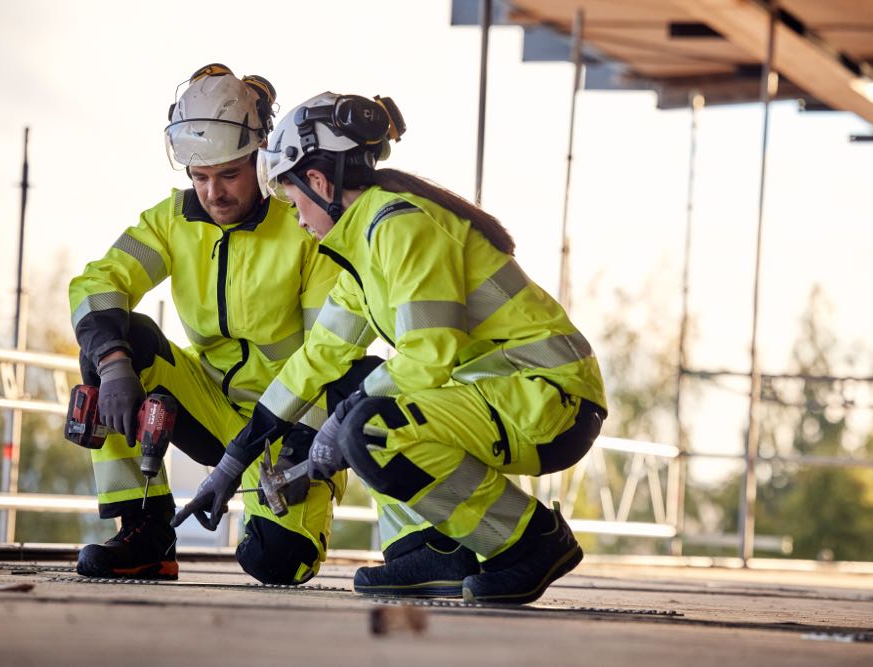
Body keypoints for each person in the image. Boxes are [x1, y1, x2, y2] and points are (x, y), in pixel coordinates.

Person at [173, 92, 607, 604]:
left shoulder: (403, 227)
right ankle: (434, 550)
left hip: (549, 399)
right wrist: (230, 465)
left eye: (292, 201)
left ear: (317, 182)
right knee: (354, 393)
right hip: (505, 395)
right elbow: (315, 362)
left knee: (370, 426)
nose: (295, 218)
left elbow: (430, 352)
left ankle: (530, 540)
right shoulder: (363, 247)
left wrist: (342, 424)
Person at [68, 65, 363, 585]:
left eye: (229, 174)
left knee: (275, 563)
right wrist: (112, 364)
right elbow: (97, 283)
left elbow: (330, 354)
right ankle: (145, 532)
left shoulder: (304, 227)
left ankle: (288, 530)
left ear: (261, 160)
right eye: (200, 177)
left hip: (285, 426)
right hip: (208, 408)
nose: (214, 192)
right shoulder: (172, 221)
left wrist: (303, 452)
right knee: (117, 338)